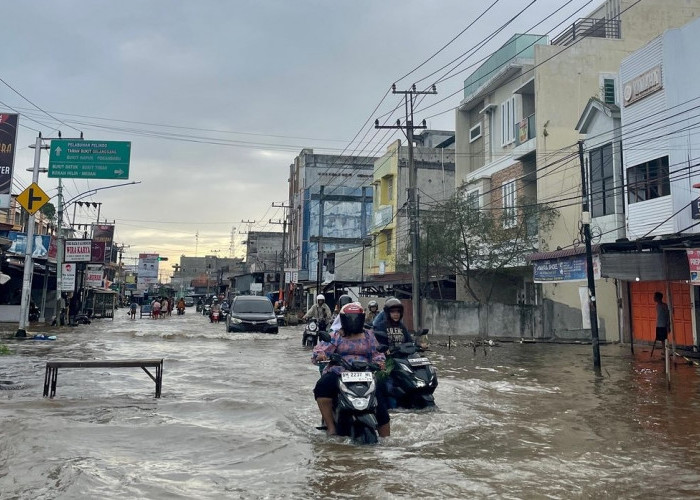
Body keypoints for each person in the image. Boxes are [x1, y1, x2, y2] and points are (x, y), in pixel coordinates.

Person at [312, 303, 390, 437]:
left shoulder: (368, 335)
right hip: (340, 371)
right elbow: (321, 349)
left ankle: (386, 438)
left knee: (380, 396)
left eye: (356, 318)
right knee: (322, 386)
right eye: (350, 318)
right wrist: (321, 355)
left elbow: (377, 353)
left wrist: (380, 362)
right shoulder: (337, 335)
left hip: (365, 373)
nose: (353, 321)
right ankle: (331, 428)